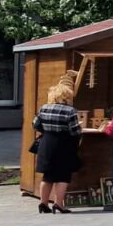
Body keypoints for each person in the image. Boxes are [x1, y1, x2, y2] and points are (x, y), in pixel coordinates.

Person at [32, 84, 82, 213]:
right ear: (67, 96)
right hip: (64, 145)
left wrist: (46, 130)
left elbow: (35, 124)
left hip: (46, 143)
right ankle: (58, 204)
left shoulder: (44, 108)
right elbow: (75, 131)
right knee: (63, 176)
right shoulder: (70, 111)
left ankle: (43, 203)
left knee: (47, 175)